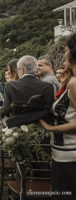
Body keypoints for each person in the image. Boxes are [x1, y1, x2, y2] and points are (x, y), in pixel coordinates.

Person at [39, 33, 76, 200]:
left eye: (67, 49)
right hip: (61, 153)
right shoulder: (71, 81)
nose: (65, 53)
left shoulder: (75, 83)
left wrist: (49, 128)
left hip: (70, 156)